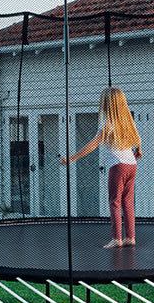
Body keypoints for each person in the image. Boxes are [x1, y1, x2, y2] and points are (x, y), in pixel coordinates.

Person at [60, 87, 142, 248]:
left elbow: (93, 144)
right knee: (127, 202)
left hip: (118, 166)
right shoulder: (126, 119)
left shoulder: (107, 120)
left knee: (115, 202)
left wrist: (72, 158)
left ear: (106, 102)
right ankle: (130, 237)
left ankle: (117, 239)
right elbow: (138, 139)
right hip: (132, 165)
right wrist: (138, 150)